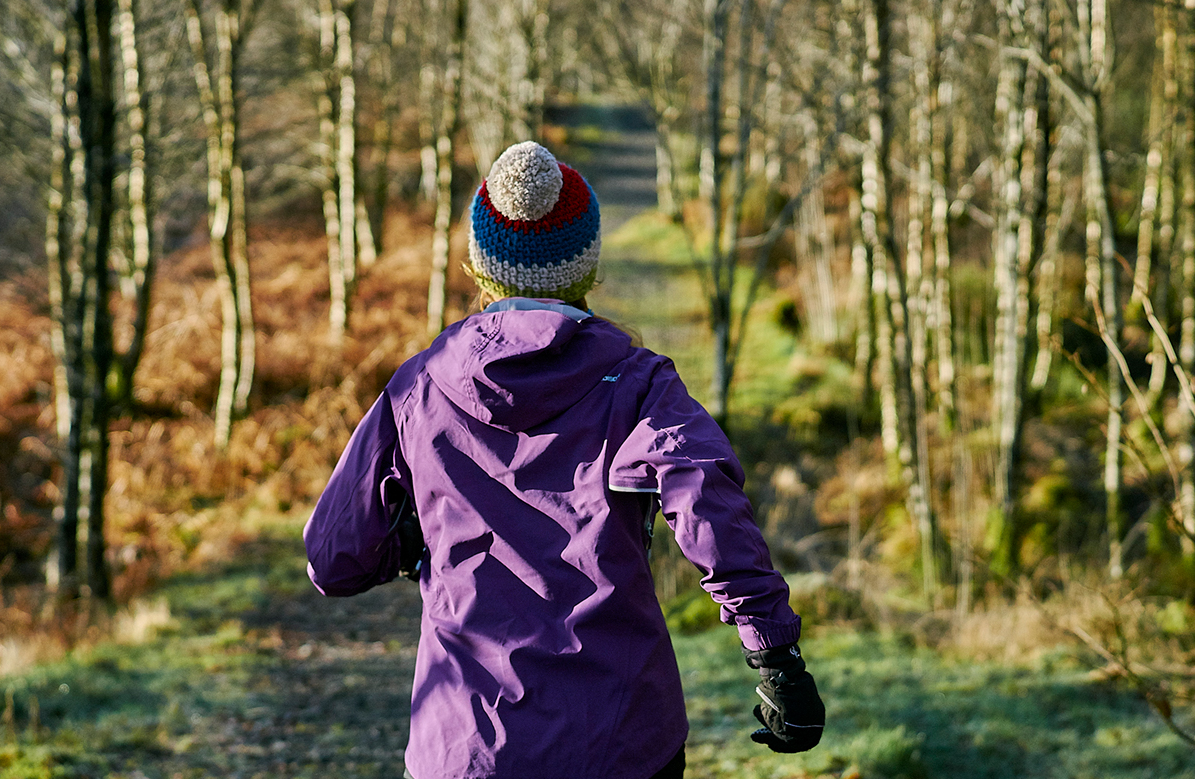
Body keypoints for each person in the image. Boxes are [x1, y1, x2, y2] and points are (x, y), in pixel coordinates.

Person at [305, 141, 825, 779]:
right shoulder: (639, 385)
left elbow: (334, 558)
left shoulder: (419, 388)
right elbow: (711, 510)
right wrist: (775, 656)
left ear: (478, 264)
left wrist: (419, 543)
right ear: (587, 266)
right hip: (621, 741)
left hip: (465, 746)